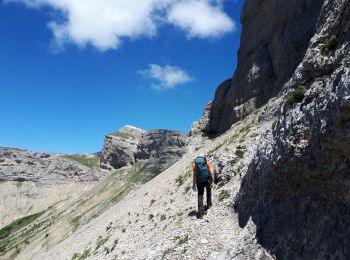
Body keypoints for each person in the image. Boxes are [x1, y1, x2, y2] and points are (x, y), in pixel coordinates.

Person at [192, 154, 215, 219]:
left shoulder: (195, 164)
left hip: (199, 181)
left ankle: (200, 214)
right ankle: (209, 205)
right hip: (207, 180)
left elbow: (194, 175)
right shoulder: (206, 162)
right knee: (208, 190)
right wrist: (212, 181)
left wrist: (194, 184)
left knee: (200, 195)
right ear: (203, 157)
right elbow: (211, 172)